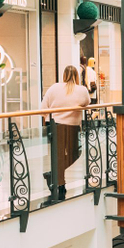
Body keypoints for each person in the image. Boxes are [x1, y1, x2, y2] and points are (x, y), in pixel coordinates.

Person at [41, 65, 91, 200]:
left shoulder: (54, 88)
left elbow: (43, 107)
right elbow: (87, 101)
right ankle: (60, 184)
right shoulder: (82, 90)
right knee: (74, 154)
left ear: (63, 75)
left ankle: (54, 176)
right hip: (72, 127)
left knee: (59, 157)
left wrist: (49, 117)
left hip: (55, 125)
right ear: (76, 76)